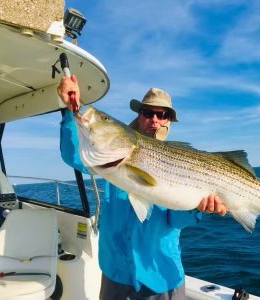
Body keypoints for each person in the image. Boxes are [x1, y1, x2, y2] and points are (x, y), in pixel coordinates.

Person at [57, 75, 227, 300]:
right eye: (148, 113)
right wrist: (70, 109)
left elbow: (175, 221)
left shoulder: (177, 163)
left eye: (162, 114)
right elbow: (73, 155)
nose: (154, 119)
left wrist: (198, 209)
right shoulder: (110, 158)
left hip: (161, 276)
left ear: (167, 121)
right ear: (139, 115)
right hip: (116, 273)